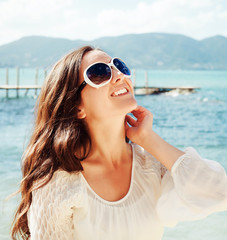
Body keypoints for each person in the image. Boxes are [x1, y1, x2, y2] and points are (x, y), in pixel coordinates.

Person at [11, 45, 227, 240]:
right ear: (78, 107)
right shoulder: (58, 182)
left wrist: (148, 139)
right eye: (99, 73)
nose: (119, 75)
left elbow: (219, 192)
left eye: (118, 66)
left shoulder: (150, 163)